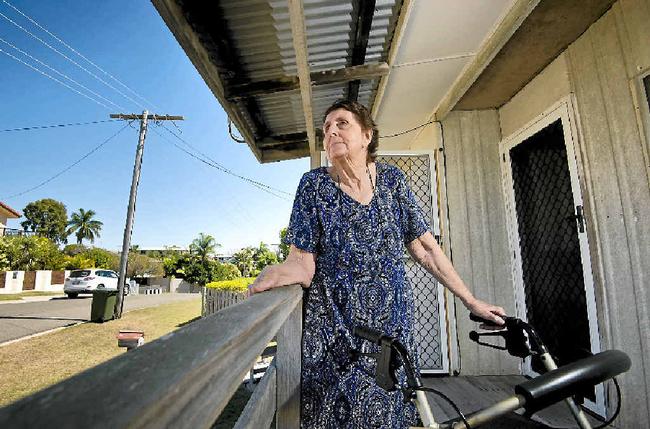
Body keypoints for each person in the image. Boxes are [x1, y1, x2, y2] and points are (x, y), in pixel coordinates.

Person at [248, 100, 505, 428]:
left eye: (341, 123)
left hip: (391, 330)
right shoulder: (313, 185)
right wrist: (278, 273)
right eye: (326, 128)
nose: (331, 131)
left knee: (390, 412)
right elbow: (302, 262)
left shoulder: (392, 181)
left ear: (367, 135)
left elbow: (426, 249)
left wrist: (470, 299)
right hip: (335, 331)